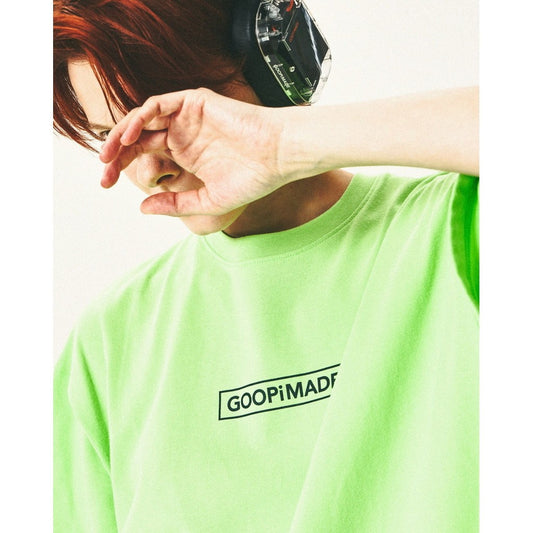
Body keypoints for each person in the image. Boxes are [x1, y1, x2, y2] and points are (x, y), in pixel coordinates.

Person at [54, 0, 479, 531]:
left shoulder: (450, 232)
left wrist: (281, 141)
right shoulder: (109, 340)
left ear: (272, 59)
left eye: (166, 118)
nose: (148, 170)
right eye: (111, 136)